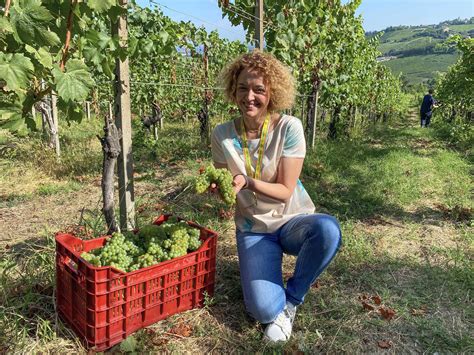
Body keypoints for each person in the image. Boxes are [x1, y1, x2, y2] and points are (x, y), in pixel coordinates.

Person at [211, 50, 342, 343]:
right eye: (243, 88)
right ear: (234, 89)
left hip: (291, 220)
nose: (250, 97)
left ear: (273, 93)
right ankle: (271, 289)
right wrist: (219, 188)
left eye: (259, 89)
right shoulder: (221, 134)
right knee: (263, 309)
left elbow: (284, 191)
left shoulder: (289, 127)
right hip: (253, 228)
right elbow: (227, 188)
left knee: (327, 230)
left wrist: (247, 182)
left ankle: (293, 299)